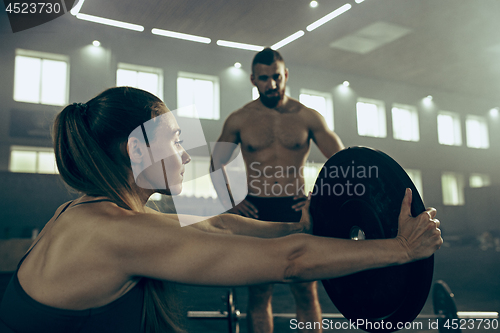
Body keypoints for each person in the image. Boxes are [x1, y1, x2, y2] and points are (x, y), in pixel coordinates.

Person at [0, 87, 442, 333]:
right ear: (136, 148)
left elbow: (218, 223)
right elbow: (290, 262)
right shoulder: (116, 233)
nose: (186, 154)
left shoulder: (88, 211)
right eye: (176, 140)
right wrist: (402, 249)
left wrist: (302, 223)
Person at [210, 48, 344, 333]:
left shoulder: (308, 117)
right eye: (264, 79)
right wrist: (231, 201)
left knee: (306, 291)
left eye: (276, 77)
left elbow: (341, 162)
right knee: (259, 293)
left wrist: (319, 198)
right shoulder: (239, 119)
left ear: (285, 75)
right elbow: (216, 162)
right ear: (253, 80)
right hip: (256, 210)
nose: (271, 84)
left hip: (295, 211)